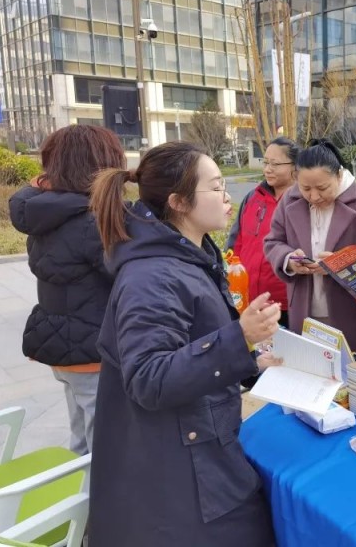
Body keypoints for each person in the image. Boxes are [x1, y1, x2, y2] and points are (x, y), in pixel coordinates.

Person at [88, 142, 282, 546]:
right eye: (216, 186)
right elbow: (149, 377)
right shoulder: (153, 276)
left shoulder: (187, 255)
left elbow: (189, 343)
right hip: (182, 469)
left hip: (196, 445)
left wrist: (248, 356)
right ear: (178, 202)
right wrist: (240, 337)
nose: (227, 196)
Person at [9, 125, 126, 455]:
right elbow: (125, 273)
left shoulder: (47, 212)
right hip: (92, 350)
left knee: (82, 438)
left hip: (66, 345)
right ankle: (93, 490)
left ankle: (79, 483)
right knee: (104, 450)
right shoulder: (90, 220)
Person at [265, 138, 356, 357]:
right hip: (305, 310)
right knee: (310, 369)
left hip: (352, 313)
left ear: (339, 176)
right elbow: (273, 241)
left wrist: (340, 263)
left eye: (322, 188)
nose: (314, 196)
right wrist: (289, 260)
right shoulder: (289, 200)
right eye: (305, 188)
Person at [225, 136, 298, 327]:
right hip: (247, 299)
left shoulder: (302, 203)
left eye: (275, 164)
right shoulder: (253, 197)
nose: (267, 169)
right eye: (265, 162)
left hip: (286, 304)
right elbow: (235, 242)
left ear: (294, 166)